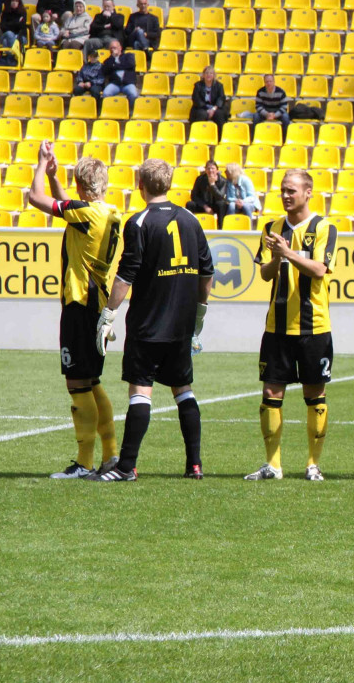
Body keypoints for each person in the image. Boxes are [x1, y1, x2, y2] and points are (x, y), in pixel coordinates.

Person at [89, 158, 214, 481]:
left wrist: (108, 314)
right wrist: (200, 312)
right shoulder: (190, 219)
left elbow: (125, 276)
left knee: (140, 391)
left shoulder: (139, 222)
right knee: (183, 390)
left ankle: (126, 467)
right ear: (169, 184)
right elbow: (207, 272)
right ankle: (195, 465)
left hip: (148, 324)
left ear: (140, 185)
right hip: (181, 325)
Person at [26, 143, 122, 479]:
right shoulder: (108, 212)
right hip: (97, 304)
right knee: (92, 381)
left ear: (81, 185)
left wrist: (41, 165)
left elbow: (34, 198)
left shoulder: (86, 214)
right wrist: (56, 179)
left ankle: (84, 463)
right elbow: (70, 206)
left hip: (80, 303)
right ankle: (111, 456)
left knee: (78, 383)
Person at [245, 170, 339, 482]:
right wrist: (276, 257)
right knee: (271, 392)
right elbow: (265, 274)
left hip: (314, 327)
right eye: (283, 190)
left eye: (292, 191)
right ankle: (273, 465)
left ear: (308, 192)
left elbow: (320, 269)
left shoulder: (324, 228)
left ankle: (313, 465)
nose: (286, 196)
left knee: (315, 394)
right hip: (277, 327)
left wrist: (287, 253)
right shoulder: (271, 228)